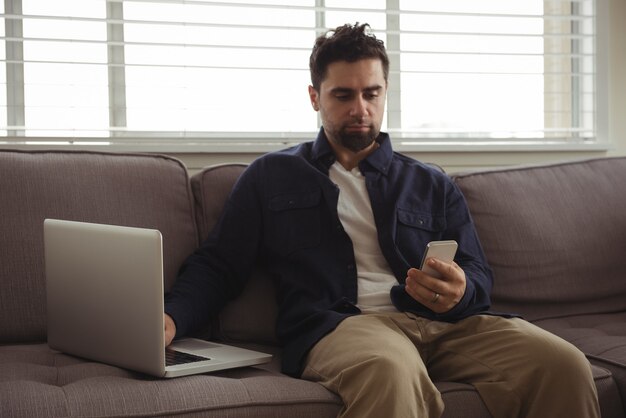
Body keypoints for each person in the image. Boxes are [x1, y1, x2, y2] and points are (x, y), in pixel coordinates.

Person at [164, 23, 600, 418]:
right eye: (343, 95)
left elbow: (478, 273)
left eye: (372, 94)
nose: (361, 108)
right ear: (315, 97)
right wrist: (171, 318)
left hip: (447, 326)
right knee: (391, 368)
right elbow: (219, 265)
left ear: (385, 93)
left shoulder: (430, 182)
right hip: (342, 327)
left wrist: (461, 290)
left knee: (563, 363)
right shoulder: (271, 176)